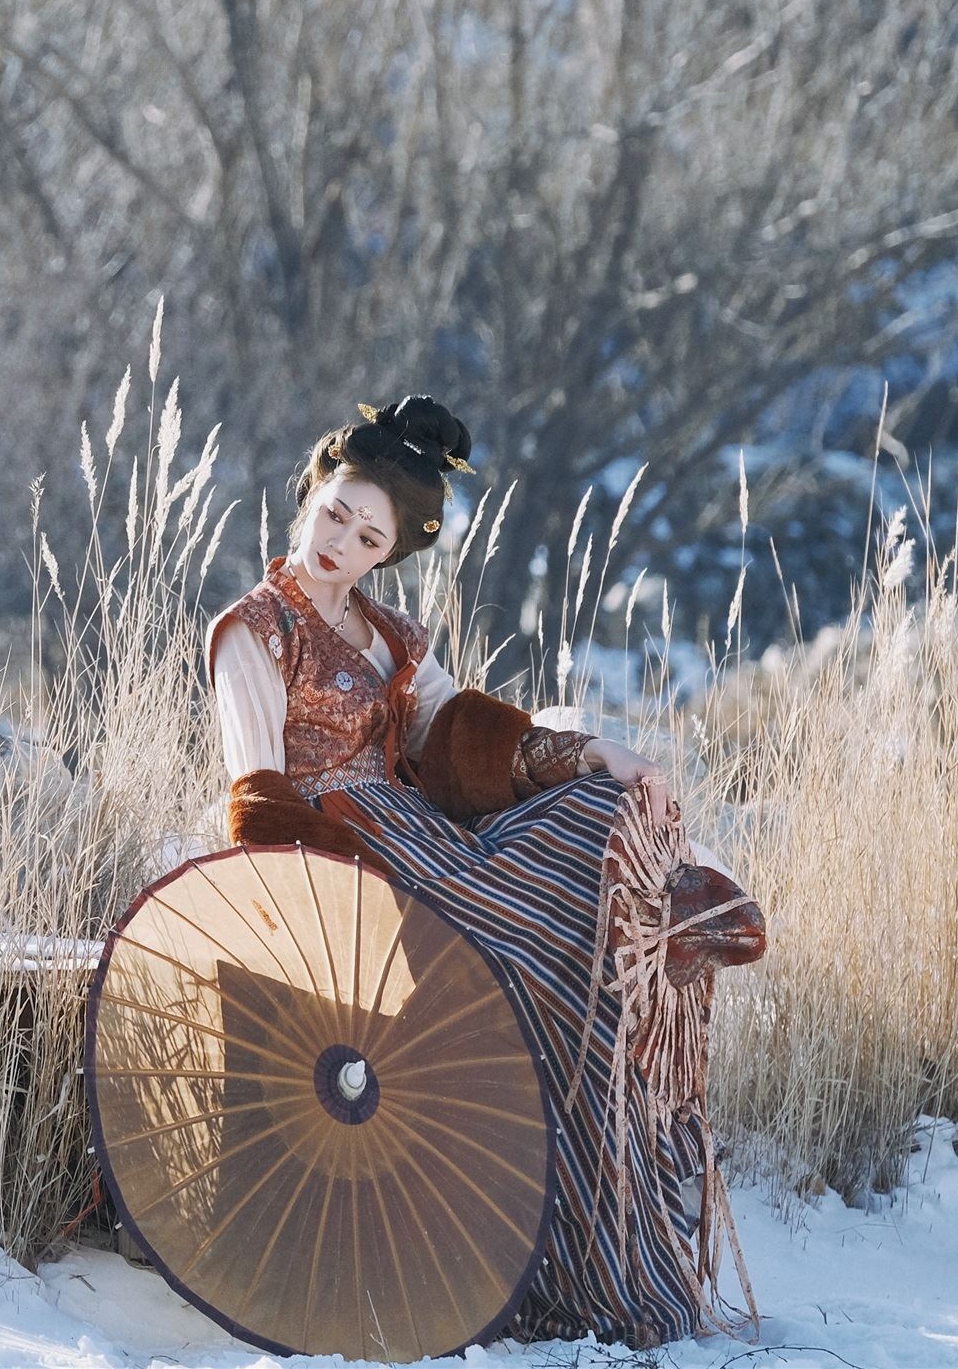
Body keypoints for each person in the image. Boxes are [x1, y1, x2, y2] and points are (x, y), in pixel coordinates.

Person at [208, 395, 764, 1347]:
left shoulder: (387, 638)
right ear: (311, 495)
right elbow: (254, 791)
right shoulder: (255, 629)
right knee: (538, 966)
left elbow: (456, 733)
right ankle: (622, 929)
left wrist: (587, 754)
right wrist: (327, 880)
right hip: (337, 845)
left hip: (419, 830)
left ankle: (657, 902)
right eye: (334, 511)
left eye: (367, 532)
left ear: (388, 553)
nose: (339, 538)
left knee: (573, 826)